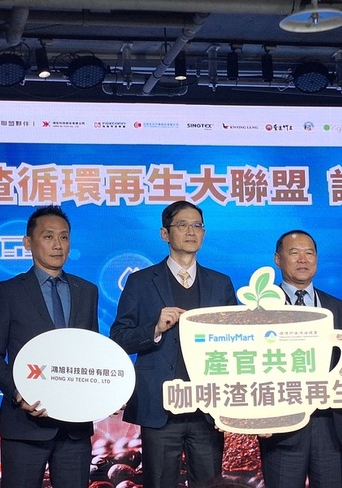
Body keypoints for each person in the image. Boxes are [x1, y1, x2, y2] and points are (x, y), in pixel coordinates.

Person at [109, 200, 237, 488]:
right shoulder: (141, 282)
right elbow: (119, 337)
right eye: (182, 225)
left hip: (207, 407)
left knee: (210, 483)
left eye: (197, 225)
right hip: (159, 406)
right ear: (165, 234)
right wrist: (154, 328)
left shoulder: (220, 283)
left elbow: (235, 343)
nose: (191, 231)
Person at [0, 205, 99, 488]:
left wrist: (107, 391)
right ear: (27, 243)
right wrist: (19, 393)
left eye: (64, 237)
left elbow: (92, 352)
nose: (58, 245)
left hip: (75, 428)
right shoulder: (8, 292)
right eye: (48, 237)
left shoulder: (87, 291)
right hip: (25, 425)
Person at [257, 229, 342, 488]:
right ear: (278, 259)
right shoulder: (259, 308)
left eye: (309, 253)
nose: (303, 259)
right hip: (282, 426)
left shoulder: (338, 307)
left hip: (330, 427)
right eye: (294, 253)